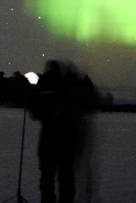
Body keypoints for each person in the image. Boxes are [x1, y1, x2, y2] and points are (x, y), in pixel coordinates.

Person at [30, 60, 98, 203]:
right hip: (67, 139)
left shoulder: (44, 87)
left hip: (49, 139)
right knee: (65, 177)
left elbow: (35, 113)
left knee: (48, 178)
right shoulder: (70, 86)